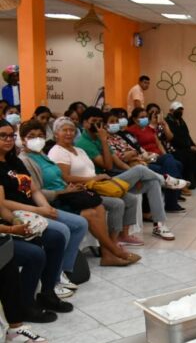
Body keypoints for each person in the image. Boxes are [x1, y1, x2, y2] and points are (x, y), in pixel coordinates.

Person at [18, 121, 140, 267]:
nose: (37, 139)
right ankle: (115, 250)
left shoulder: (42, 154)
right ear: (22, 139)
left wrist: (69, 187)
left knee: (98, 206)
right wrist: (62, 191)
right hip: (52, 199)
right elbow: (34, 191)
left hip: (68, 192)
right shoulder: (24, 161)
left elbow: (59, 177)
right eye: (31, 136)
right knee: (89, 213)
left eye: (40, 136)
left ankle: (107, 256)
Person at [0, 118, 82, 301]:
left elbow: (33, 189)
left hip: (32, 210)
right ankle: (27, 302)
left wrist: (45, 206)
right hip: (14, 215)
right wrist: (39, 211)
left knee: (57, 237)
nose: (7, 140)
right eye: (2, 136)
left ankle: (48, 290)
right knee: (54, 236)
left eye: (10, 136)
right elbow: (3, 203)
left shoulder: (14, 161)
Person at [71, 107, 181, 240]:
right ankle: (167, 181)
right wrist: (105, 141)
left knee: (151, 181)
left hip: (113, 177)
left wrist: (136, 176)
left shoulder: (100, 137)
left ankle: (159, 225)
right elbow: (108, 165)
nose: (97, 125)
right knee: (141, 170)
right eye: (94, 122)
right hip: (100, 182)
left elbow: (117, 162)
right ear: (84, 123)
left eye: (100, 122)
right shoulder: (84, 142)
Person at [48, 116, 144, 247]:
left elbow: (108, 165)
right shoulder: (57, 152)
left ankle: (124, 235)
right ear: (56, 134)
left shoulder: (79, 150)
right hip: (82, 189)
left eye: (71, 130)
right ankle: (112, 242)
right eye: (65, 130)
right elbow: (65, 177)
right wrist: (93, 179)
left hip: (97, 184)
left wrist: (104, 141)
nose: (69, 133)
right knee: (117, 203)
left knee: (131, 198)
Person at [125, 107, 186, 212]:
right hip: (147, 158)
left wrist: (166, 156)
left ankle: (172, 193)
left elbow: (158, 144)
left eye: (146, 117)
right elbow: (136, 149)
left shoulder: (150, 129)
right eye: (142, 117)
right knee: (173, 165)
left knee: (174, 161)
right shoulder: (131, 131)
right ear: (135, 119)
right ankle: (172, 201)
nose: (145, 119)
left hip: (157, 156)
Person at [164, 101, 196, 188]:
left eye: (181, 110)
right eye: (178, 110)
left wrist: (194, 145)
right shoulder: (168, 122)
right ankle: (189, 180)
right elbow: (174, 139)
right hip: (176, 148)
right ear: (171, 110)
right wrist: (189, 147)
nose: (180, 112)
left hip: (186, 146)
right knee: (191, 155)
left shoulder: (181, 121)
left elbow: (187, 135)